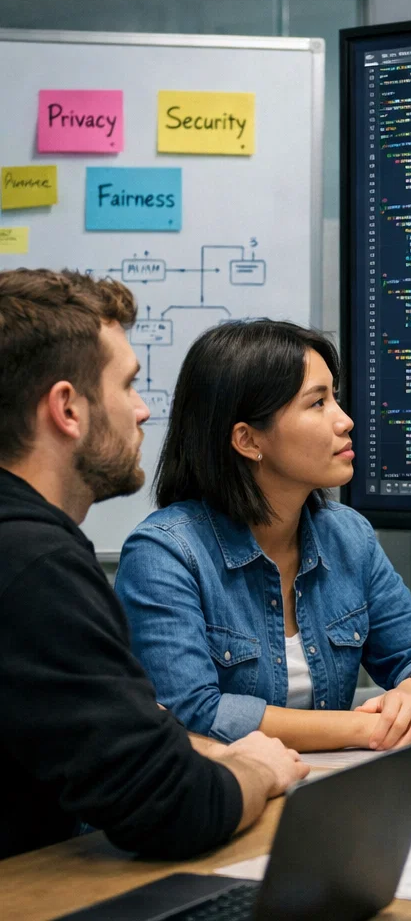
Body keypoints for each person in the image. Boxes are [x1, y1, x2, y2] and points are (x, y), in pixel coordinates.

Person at [0, 268, 309, 862]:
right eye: (128, 386)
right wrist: (257, 769)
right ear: (67, 408)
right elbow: (169, 809)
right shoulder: (34, 566)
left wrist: (195, 752)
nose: (143, 411)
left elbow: (100, 734)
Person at [115, 318, 411, 753]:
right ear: (247, 440)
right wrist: (365, 729)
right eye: (317, 403)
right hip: (222, 803)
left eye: (334, 398)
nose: (345, 421)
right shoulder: (165, 553)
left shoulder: (347, 535)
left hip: (326, 792)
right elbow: (193, 712)